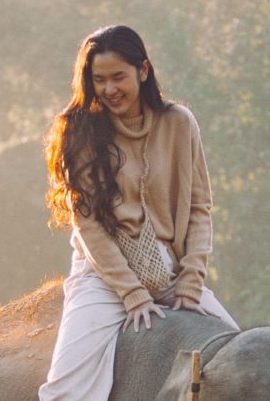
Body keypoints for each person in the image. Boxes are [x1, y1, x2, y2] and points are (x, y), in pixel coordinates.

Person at [38, 25, 238, 400]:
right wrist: (132, 293)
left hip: (173, 273)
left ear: (143, 71)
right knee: (64, 393)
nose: (109, 89)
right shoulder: (79, 131)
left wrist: (192, 281)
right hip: (103, 276)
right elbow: (87, 226)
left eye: (118, 77)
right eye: (99, 80)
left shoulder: (179, 123)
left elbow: (199, 208)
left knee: (243, 369)